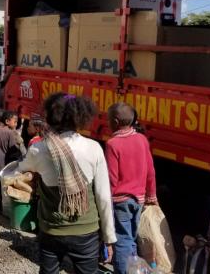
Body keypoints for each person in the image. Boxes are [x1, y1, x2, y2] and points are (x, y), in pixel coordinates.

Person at [18, 93, 116, 274]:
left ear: (50, 117)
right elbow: (103, 196)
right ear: (80, 116)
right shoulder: (93, 148)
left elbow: (21, 168)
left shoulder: (38, 149)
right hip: (86, 231)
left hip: (51, 230)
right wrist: (109, 236)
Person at [104, 102, 157, 274]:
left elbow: (111, 178)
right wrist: (152, 195)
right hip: (139, 199)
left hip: (121, 201)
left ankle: (122, 271)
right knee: (131, 238)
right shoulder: (142, 139)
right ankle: (133, 269)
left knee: (122, 240)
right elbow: (150, 171)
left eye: (108, 119)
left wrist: (105, 202)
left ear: (116, 121)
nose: (107, 122)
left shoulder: (113, 144)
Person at [0, 110, 26, 210]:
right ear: (7, 121)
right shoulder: (10, 133)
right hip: (1, 166)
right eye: (15, 122)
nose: (16, 124)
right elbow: (12, 150)